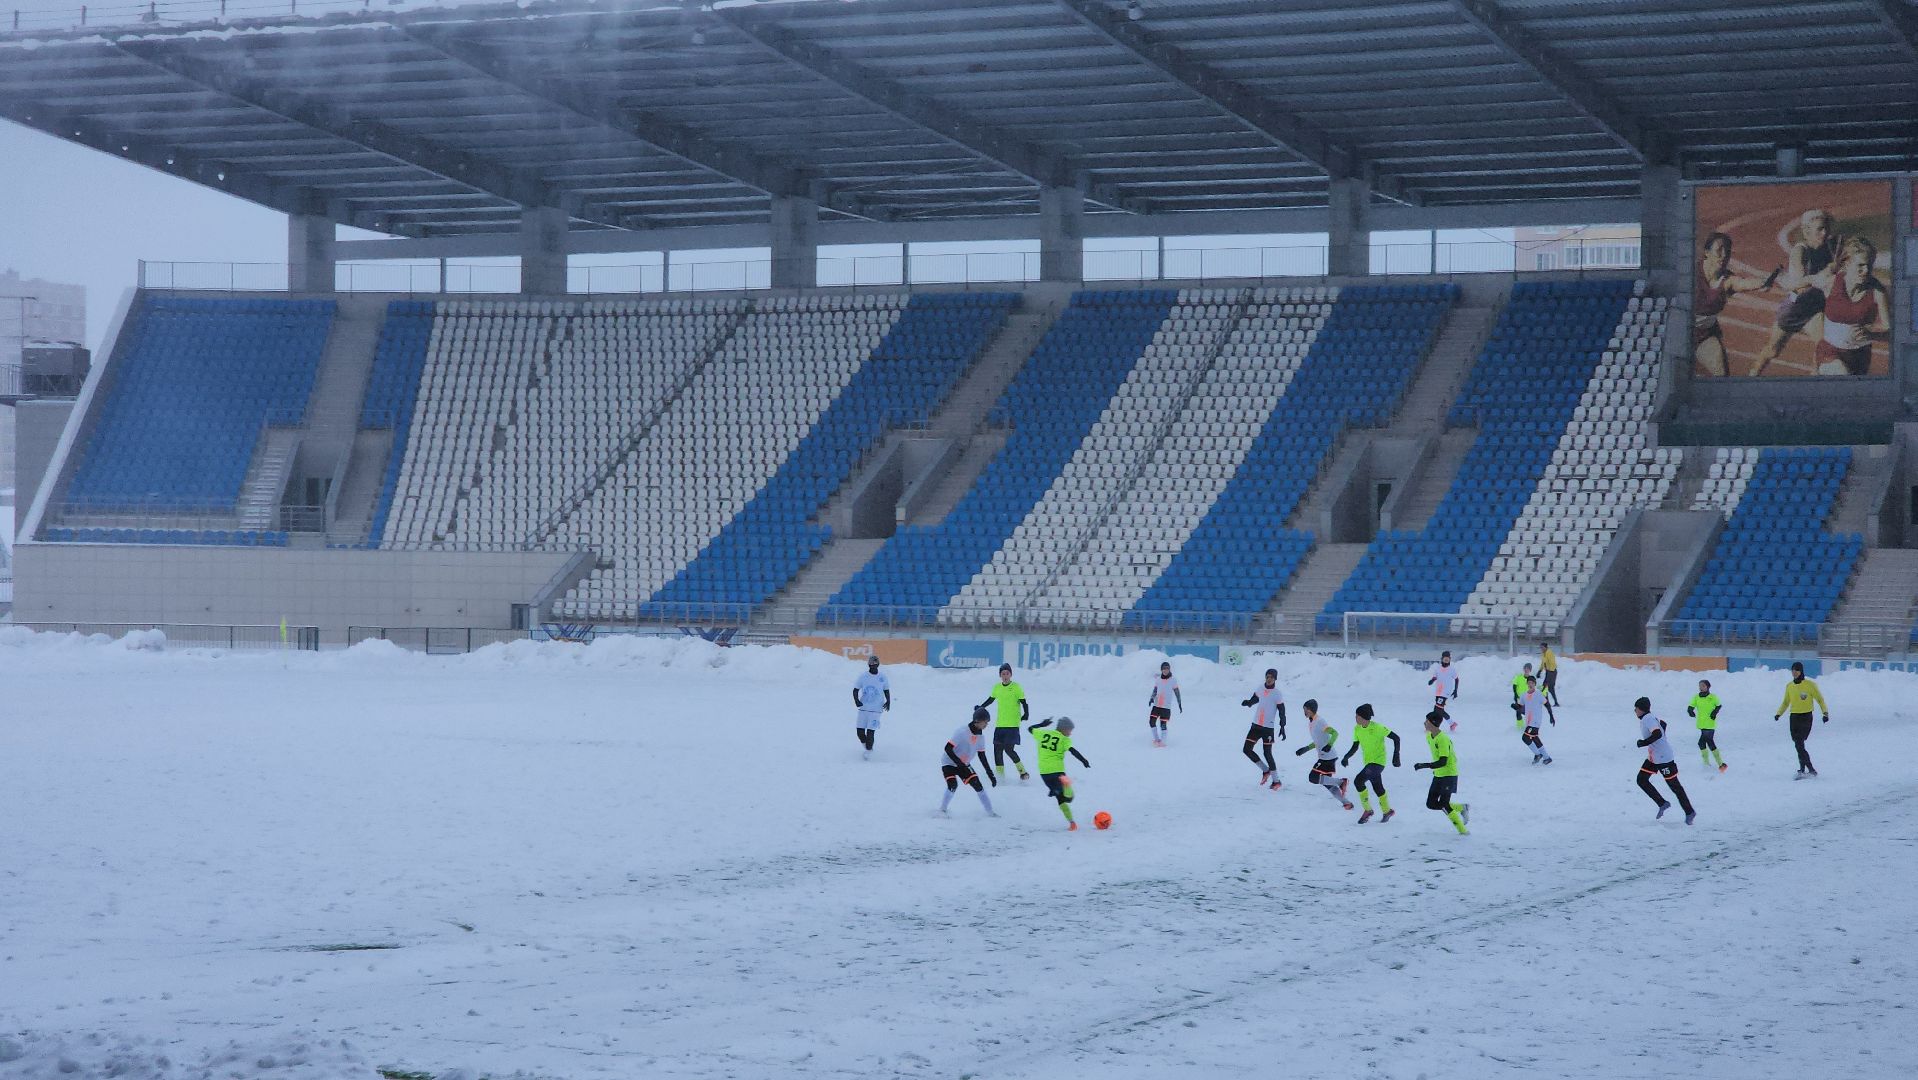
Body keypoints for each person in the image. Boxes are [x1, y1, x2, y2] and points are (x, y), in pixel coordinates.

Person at [1750, 208, 1836, 377]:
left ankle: (1814, 378)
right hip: (1794, 309)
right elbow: (1799, 286)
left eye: (1826, 228)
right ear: (1806, 231)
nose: (1824, 233)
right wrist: (1825, 272)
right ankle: (1752, 375)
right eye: (1819, 229)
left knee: (1824, 346)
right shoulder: (1800, 251)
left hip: (1815, 309)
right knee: (1772, 351)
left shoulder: (1830, 247)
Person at [1693, 231, 1780, 377]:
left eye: (1727, 251)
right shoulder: (1692, 273)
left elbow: (1743, 283)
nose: (1724, 255)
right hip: (1679, 332)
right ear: (1706, 253)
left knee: (1722, 374)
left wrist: (1762, 283)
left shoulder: (1727, 280)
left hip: (1704, 334)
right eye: (1719, 250)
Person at [1809, 236, 1889, 376]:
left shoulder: (1878, 292)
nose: (1866, 271)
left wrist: (1872, 334)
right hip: (1829, 351)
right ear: (1847, 263)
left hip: (1860, 356)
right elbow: (1802, 281)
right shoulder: (1832, 282)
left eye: (1869, 265)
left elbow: (1891, 334)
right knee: (1841, 375)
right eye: (1861, 265)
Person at [1633, 697, 1696, 824]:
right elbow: (1663, 725)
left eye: (1636, 709)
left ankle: (1689, 812)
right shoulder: (1649, 717)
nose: (1635, 711)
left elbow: (1657, 734)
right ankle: (1662, 803)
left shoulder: (1648, 719)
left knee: (1675, 786)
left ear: (1641, 709)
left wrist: (1644, 742)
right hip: (1654, 757)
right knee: (1641, 779)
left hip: (1663, 758)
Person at [1341, 704, 1402, 824]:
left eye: (1357, 715)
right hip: (1369, 763)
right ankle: (1387, 810)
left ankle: (1368, 810)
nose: (1355, 717)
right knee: (1377, 787)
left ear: (1363, 717)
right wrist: (1346, 757)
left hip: (1378, 762)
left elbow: (1396, 738)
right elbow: (1355, 746)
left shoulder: (1378, 728)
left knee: (1358, 781)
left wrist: (1396, 756)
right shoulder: (1357, 729)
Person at [1028, 716, 1091, 831]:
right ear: (1063, 728)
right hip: (1058, 771)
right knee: (1069, 798)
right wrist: (1083, 760)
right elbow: (1073, 751)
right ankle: (1062, 787)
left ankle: (1072, 823)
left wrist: (1042, 724)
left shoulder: (1043, 733)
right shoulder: (1064, 739)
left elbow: (1030, 728)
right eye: (1069, 730)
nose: (1070, 733)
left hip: (1044, 772)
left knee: (1060, 800)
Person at [1414, 710, 1468, 835]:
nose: (1424, 723)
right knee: (1431, 804)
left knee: (1444, 804)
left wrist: (1424, 765)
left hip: (1449, 774)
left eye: (1426, 721)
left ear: (1433, 723)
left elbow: (1443, 761)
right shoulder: (1429, 736)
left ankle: (1463, 831)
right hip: (1439, 774)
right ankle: (1461, 808)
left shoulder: (1443, 739)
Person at [1772, 661, 1830, 778]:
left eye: (1797, 670)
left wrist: (1825, 713)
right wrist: (1779, 714)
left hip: (1806, 717)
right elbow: (1786, 702)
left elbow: (1820, 699)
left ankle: (1809, 769)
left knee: (1799, 743)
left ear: (1801, 671)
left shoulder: (1810, 685)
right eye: (1793, 670)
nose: (1794, 672)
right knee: (1798, 744)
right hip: (1794, 717)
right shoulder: (1789, 686)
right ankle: (1803, 770)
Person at [1293, 699, 1353, 810]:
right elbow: (1318, 741)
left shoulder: (1320, 721)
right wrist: (1305, 749)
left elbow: (1335, 733)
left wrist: (1329, 745)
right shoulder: (1311, 722)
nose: (1304, 712)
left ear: (1311, 710)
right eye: (1304, 709)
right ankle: (1346, 803)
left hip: (1328, 757)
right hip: (1325, 756)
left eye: (1305, 709)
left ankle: (1341, 782)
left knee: (1313, 777)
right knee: (1328, 784)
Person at [940, 707, 998, 817]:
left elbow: (982, 756)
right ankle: (942, 810)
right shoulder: (962, 732)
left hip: (964, 764)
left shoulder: (981, 737)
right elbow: (947, 748)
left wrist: (990, 773)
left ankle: (990, 813)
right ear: (977, 721)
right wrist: (959, 763)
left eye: (987, 722)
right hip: (949, 762)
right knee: (953, 785)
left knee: (978, 786)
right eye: (985, 722)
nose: (987, 724)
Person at [979, 662, 1031, 782]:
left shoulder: (1016, 687)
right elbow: (991, 699)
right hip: (1000, 725)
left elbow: (1023, 702)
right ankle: (1000, 777)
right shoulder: (997, 687)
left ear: (1011, 674)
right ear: (1000, 675)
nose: (1005, 675)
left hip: (1012, 725)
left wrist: (1026, 713)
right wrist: (981, 707)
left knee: (1009, 750)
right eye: (1003, 673)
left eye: (1007, 673)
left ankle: (1022, 771)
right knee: (997, 750)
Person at [1240, 667, 1287, 789]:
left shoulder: (1277, 693)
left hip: (1268, 728)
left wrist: (1282, 726)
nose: (1269, 679)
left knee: (1267, 753)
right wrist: (1248, 703)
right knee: (1247, 749)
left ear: (1275, 679)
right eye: (1267, 676)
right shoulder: (1260, 688)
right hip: (1256, 725)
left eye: (1271, 677)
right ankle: (1266, 770)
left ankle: (1276, 781)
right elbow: (1255, 698)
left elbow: (1282, 711)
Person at [852, 655, 891, 760]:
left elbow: (886, 690)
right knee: (860, 733)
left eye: (875, 663)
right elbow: (855, 689)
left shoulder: (882, 677)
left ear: (878, 664)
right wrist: (856, 700)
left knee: (870, 732)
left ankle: (868, 750)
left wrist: (888, 702)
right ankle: (867, 748)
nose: (873, 665)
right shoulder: (863, 676)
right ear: (868, 664)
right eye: (871, 664)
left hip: (876, 710)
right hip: (863, 709)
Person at [1513, 675, 1556, 765]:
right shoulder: (1524, 695)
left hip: (1535, 721)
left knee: (1525, 738)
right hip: (1529, 721)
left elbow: (1547, 704)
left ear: (1535, 684)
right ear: (1527, 683)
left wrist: (1551, 716)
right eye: (1529, 683)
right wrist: (1515, 707)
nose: (1530, 684)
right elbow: (1520, 706)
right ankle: (1547, 757)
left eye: (1532, 683)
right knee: (1535, 738)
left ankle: (1537, 754)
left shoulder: (1538, 694)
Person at [1688, 679, 1726, 773]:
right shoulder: (1696, 697)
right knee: (1705, 743)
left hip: (1710, 724)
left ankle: (1714, 764)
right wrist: (1690, 710)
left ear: (1708, 687)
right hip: (1701, 724)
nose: (1701, 687)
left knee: (1705, 742)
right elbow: (1691, 706)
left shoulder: (1713, 697)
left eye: (1703, 686)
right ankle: (1717, 764)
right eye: (1700, 685)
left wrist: (1714, 712)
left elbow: (1718, 705)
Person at [1146, 660, 1183, 746]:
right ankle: (1157, 739)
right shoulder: (1158, 679)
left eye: (1167, 668)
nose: (1165, 670)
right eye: (1164, 669)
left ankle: (1163, 742)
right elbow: (1155, 690)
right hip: (1156, 705)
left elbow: (1177, 692)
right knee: (1152, 722)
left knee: (1163, 724)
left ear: (1169, 669)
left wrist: (1179, 703)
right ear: (1161, 670)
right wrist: (1151, 698)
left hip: (1166, 706)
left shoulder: (1173, 680)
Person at [1426, 651, 1460, 731]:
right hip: (1438, 692)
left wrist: (1455, 690)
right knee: (1438, 710)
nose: (1446, 660)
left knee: (1438, 709)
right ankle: (1452, 724)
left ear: (1450, 660)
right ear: (1442, 659)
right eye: (1445, 659)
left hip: (1445, 692)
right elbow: (1435, 677)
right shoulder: (1438, 668)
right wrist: (1432, 681)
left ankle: (1432, 725)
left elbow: (1457, 679)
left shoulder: (1452, 669)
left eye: (1448, 659)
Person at [1538, 642, 1562, 707]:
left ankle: (1548, 702)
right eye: (1540, 647)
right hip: (1548, 672)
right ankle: (1553, 702)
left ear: (1546, 647)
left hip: (1552, 672)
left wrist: (1550, 671)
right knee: (1548, 688)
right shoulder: (1543, 654)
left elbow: (1552, 662)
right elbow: (1543, 663)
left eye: (1542, 647)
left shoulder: (1549, 653)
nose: (1541, 649)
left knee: (1546, 687)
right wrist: (1540, 670)